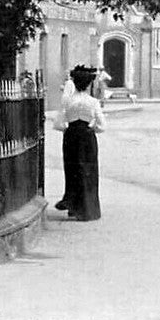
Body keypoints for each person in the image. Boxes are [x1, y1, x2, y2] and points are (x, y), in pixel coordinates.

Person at [54, 65, 106, 221]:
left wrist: (67, 129)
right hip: (87, 137)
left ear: (74, 83)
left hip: (71, 137)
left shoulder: (68, 102)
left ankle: (73, 205)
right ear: (88, 84)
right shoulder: (93, 102)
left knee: (72, 171)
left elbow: (58, 123)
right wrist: (92, 129)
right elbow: (102, 125)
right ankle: (88, 209)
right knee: (88, 171)